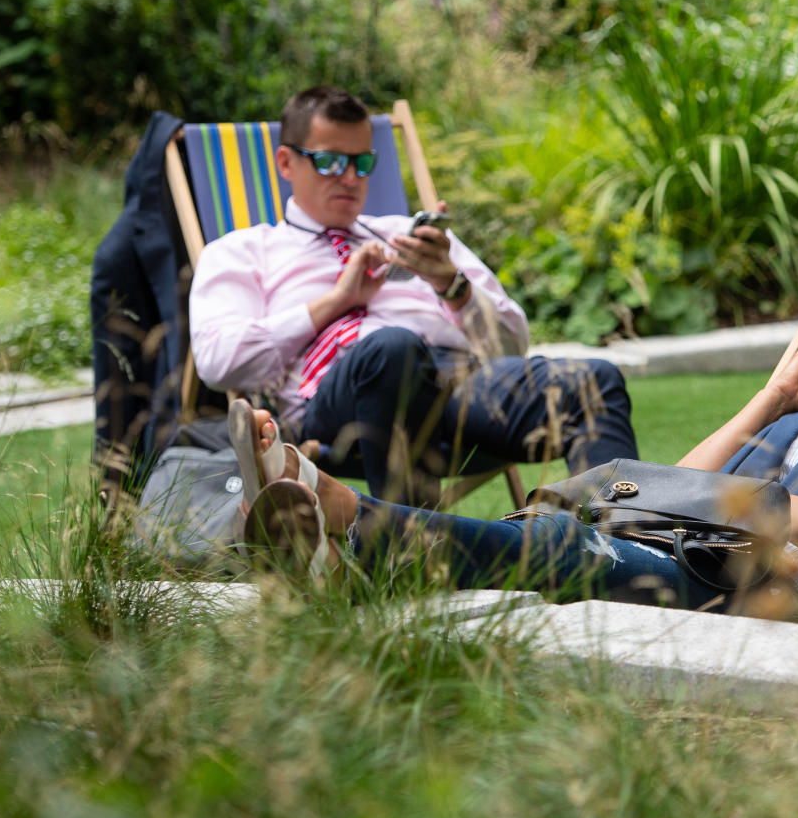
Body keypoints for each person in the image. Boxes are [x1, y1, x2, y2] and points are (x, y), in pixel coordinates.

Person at [229, 244, 798, 615]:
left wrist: (708, 504)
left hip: (781, 594)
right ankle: (342, 548)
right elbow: (681, 475)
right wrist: (772, 398)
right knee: (549, 533)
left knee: (562, 545)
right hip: (711, 556)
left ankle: (341, 514)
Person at [189, 86, 638, 505]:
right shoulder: (243, 251)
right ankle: (414, 557)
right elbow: (217, 361)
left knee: (592, 379)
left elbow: (510, 347)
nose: (349, 178)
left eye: (361, 163)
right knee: (392, 349)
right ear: (286, 163)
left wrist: (451, 284)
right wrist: (337, 301)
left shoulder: (411, 236)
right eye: (330, 162)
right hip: (339, 401)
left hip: (456, 389)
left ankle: (624, 551)